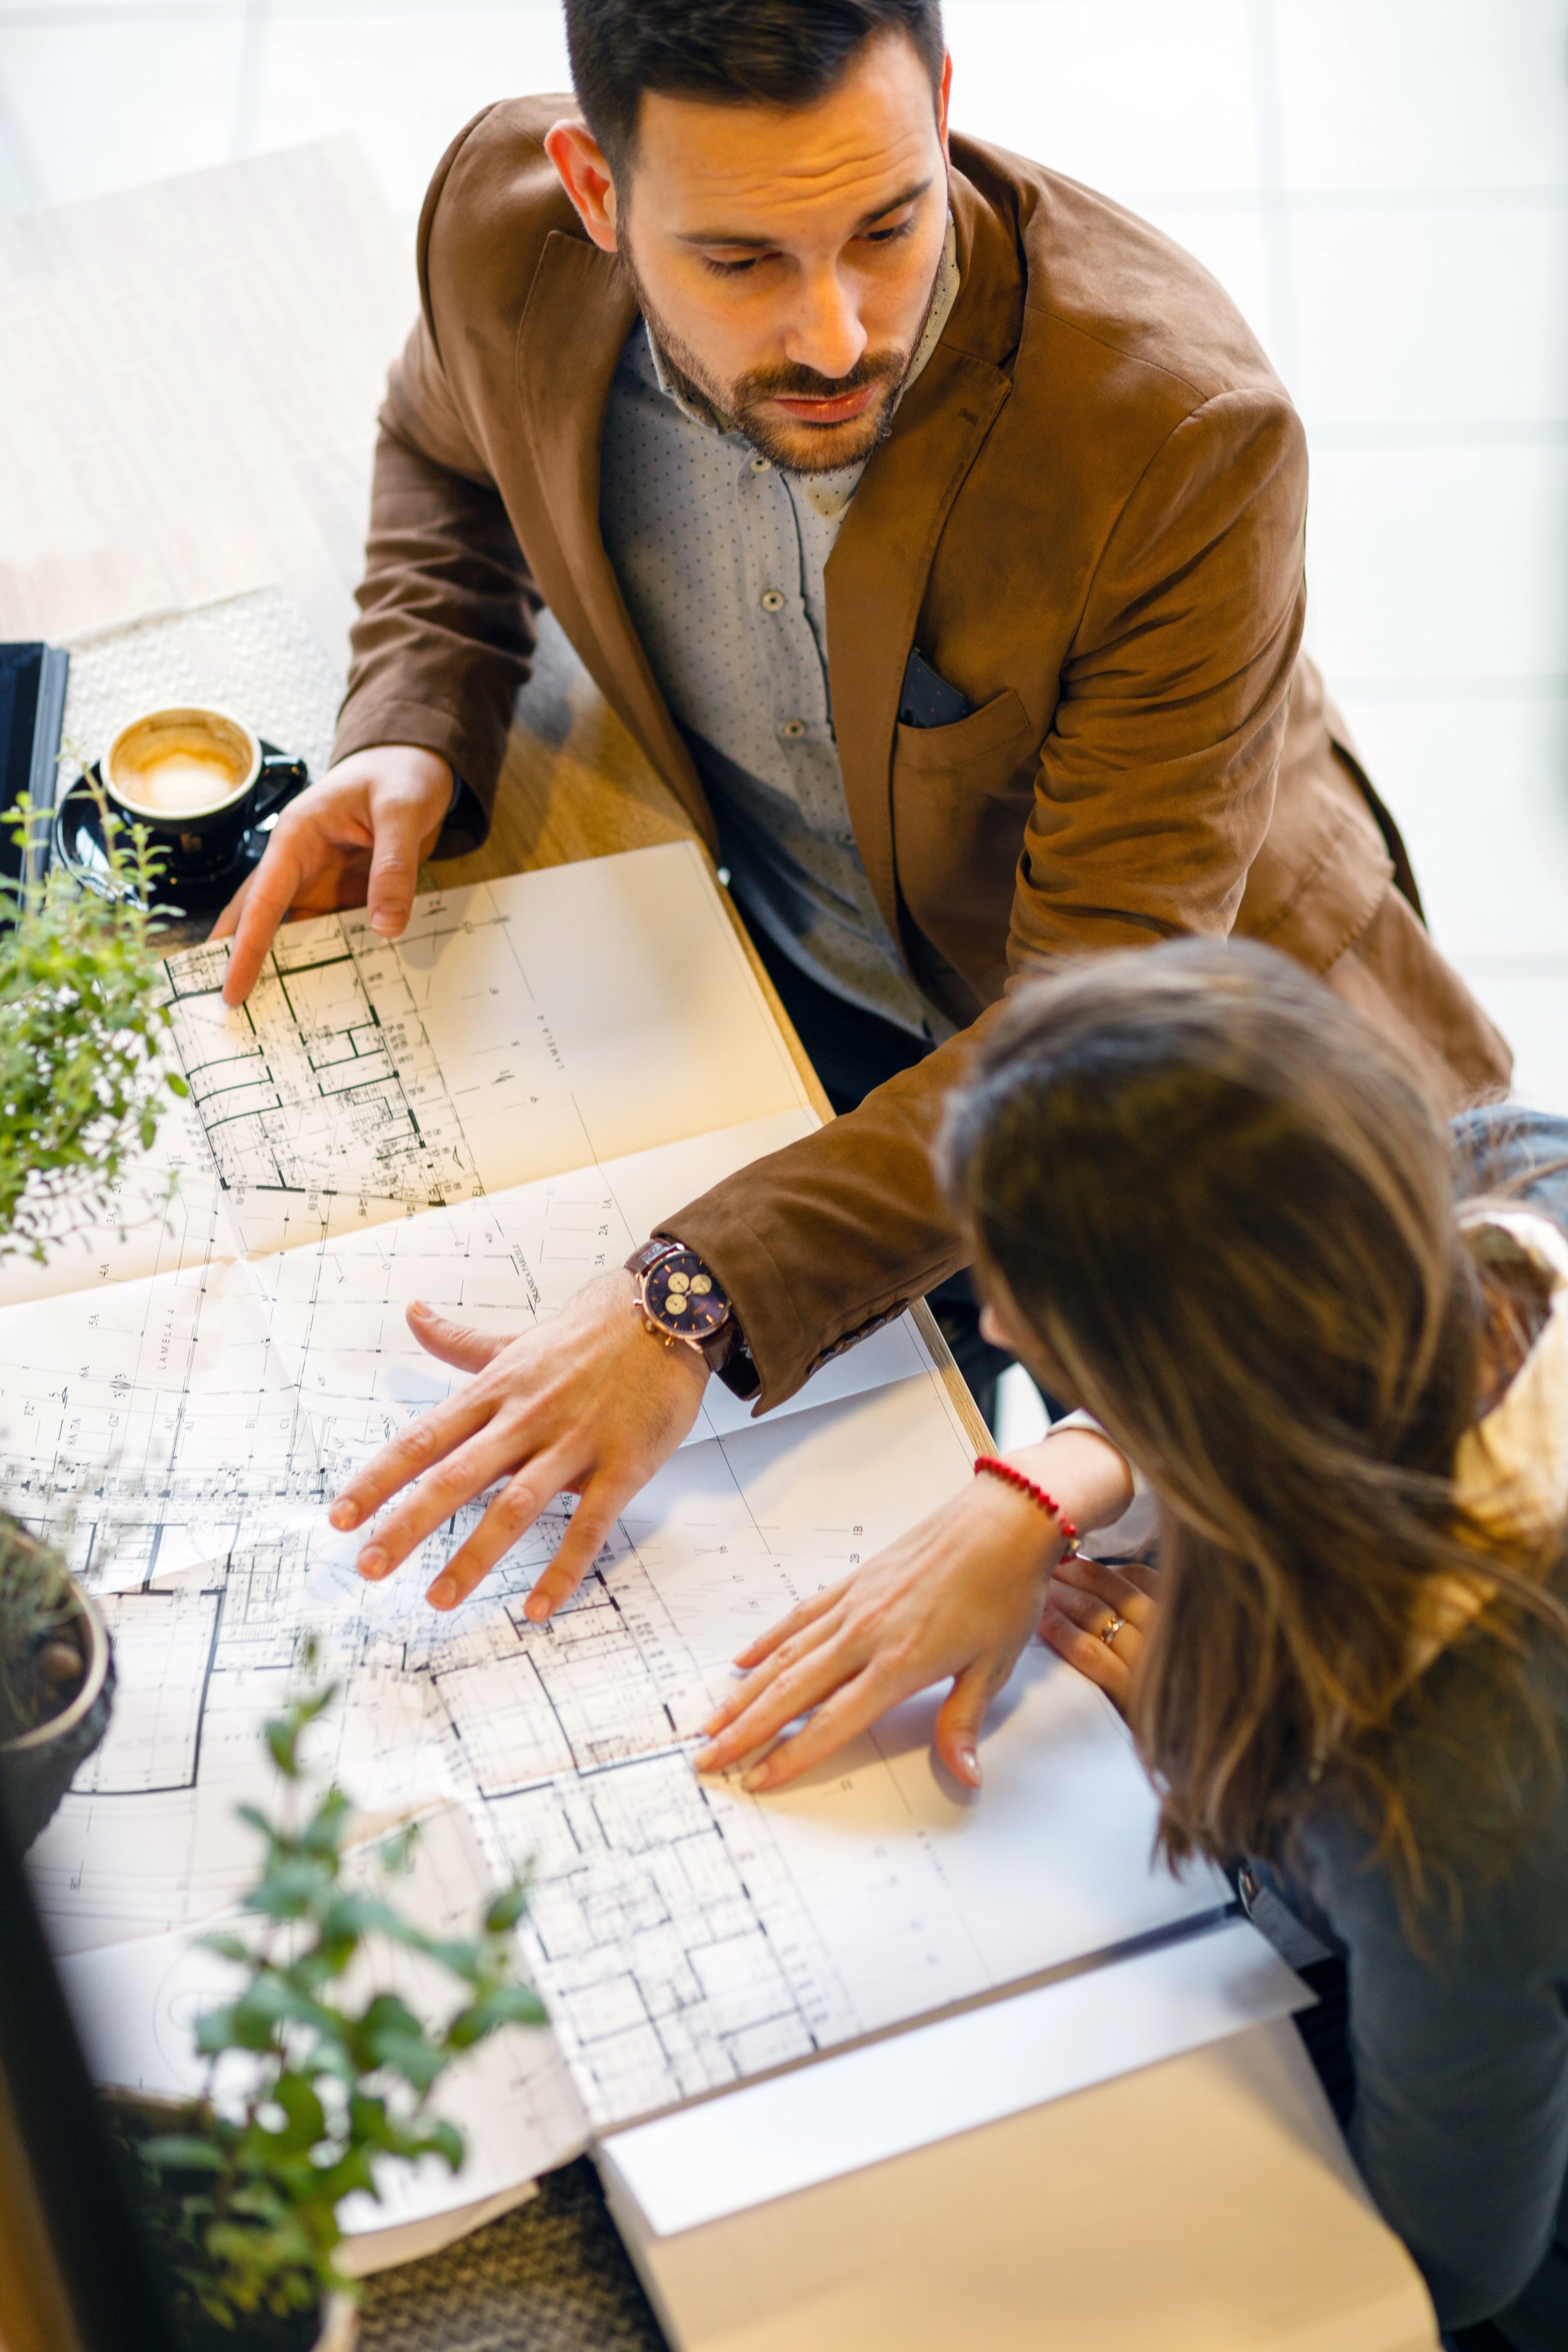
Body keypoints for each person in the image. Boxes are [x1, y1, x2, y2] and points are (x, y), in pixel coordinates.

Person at [227, 0, 1509, 1623]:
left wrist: (686, 1298)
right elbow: (441, 445)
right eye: (742, 262)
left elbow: (1084, 1031)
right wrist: (415, 712)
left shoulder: (1177, 433)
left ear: (946, 111)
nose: (834, 331)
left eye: (887, 228)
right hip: (805, 1009)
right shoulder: (499, 234)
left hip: (1183, 1066)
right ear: (594, 192)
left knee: (1243, 1600)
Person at [696, 938, 1568, 2343]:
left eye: (1027, 1317)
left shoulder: (1413, 1797)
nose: (986, 1324)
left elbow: (1454, 2264)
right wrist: (1063, 1475)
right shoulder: (1508, 1170)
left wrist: (1237, 1774)